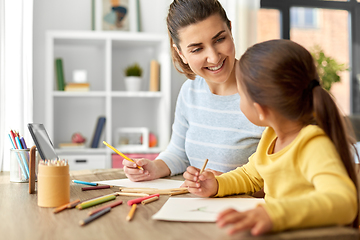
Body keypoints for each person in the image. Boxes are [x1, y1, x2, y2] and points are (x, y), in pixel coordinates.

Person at [183, 39, 359, 236]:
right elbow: (251, 176)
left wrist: (274, 214)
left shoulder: (313, 144)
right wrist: (217, 185)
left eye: (241, 95)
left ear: (260, 110)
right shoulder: (271, 137)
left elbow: (344, 202)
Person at [123, 0, 263, 181]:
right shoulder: (190, 91)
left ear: (230, 29)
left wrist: (224, 184)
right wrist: (153, 167)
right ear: (181, 53)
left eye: (220, 39)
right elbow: (179, 153)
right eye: (197, 49)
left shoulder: (265, 91)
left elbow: (285, 174)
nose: (213, 57)